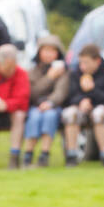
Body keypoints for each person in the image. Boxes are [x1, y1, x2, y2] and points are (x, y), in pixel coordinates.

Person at [61, 43, 104, 167]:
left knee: (100, 114)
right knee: (71, 114)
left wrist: (92, 91)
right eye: (81, 63)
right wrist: (81, 101)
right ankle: (71, 155)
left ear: (97, 61)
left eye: (86, 63)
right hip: (80, 109)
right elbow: (70, 96)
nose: (82, 66)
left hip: (100, 108)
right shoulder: (75, 74)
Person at [23, 33, 69, 167]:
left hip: (53, 107)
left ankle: (44, 154)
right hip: (35, 106)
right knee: (34, 117)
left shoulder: (63, 72)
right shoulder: (32, 71)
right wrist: (49, 78)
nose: (49, 54)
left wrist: (50, 103)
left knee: (50, 116)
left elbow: (61, 92)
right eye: (46, 50)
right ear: (39, 52)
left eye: (52, 51)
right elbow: (33, 93)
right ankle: (28, 153)